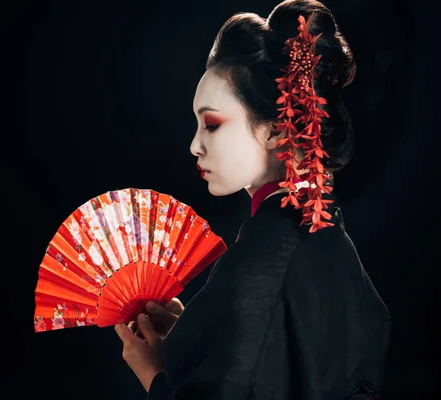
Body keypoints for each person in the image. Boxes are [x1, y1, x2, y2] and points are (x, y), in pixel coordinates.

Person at [114, 0, 391, 399]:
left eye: (211, 124)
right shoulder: (332, 240)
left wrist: (155, 374)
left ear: (278, 130)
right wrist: (201, 334)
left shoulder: (260, 258)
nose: (194, 145)